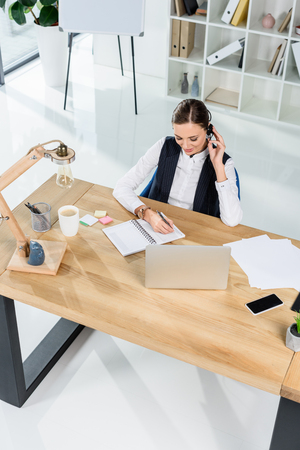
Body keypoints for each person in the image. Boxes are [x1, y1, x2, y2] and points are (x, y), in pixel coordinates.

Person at [113, 99, 242, 233]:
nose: (185, 146)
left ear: (208, 129)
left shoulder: (225, 163)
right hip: (154, 224)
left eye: (193, 139)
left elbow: (232, 220)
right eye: (179, 138)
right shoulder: (163, 146)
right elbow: (122, 187)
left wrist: (219, 168)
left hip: (196, 231)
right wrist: (146, 213)